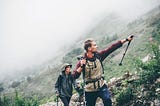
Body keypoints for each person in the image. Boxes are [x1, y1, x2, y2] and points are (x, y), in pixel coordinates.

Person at [72, 36, 133, 106]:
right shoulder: (82, 61)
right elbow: (74, 76)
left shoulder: (99, 56)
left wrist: (126, 40)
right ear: (89, 48)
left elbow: (111, 48)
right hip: (89, 90)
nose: (96, 46)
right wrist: (81, 66)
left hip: (101, 86)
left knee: (107, 100)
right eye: (94, 45)